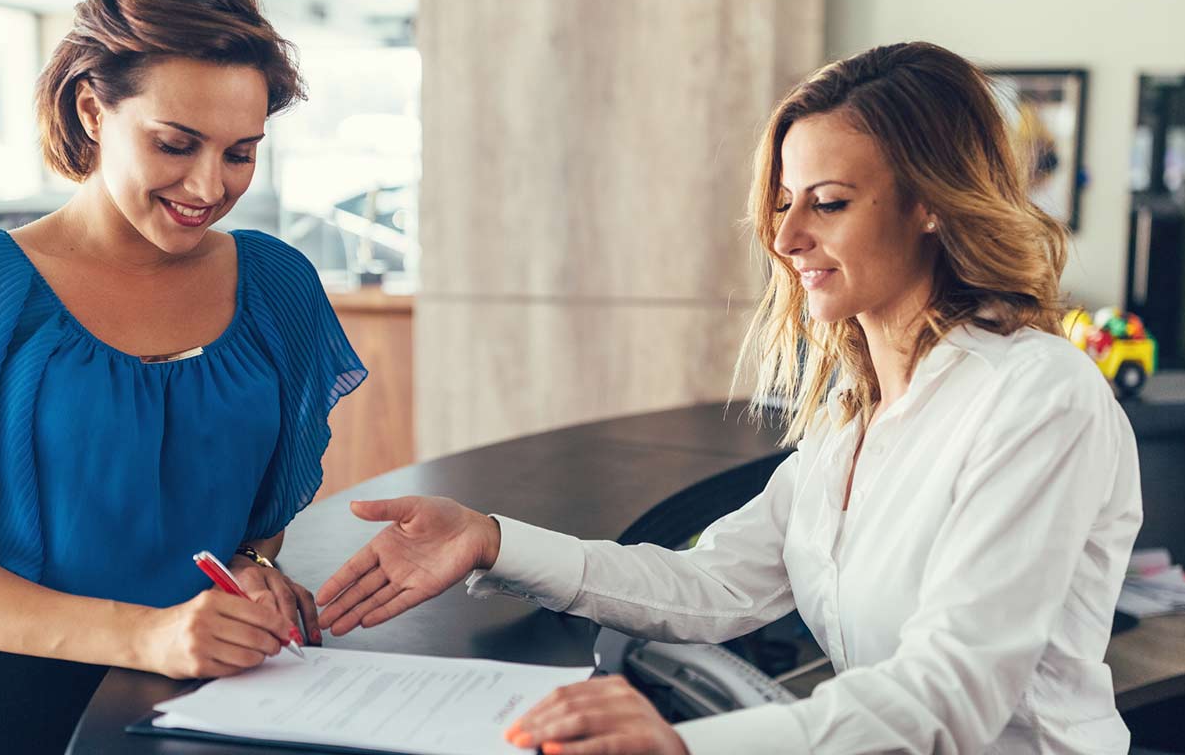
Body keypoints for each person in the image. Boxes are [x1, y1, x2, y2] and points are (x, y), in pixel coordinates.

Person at [315, 42, 1142, 755]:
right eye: (784, 202)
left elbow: (953, 691)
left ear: (931, 202)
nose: (785, 239)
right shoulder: (858, 415)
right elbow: (714, 586)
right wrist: (492, 541)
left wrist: (684, 744)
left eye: (829, 203)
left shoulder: (1038, 395)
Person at [0, 0, 366, 753]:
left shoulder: (277, 286)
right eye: (176, 143)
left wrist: (247, 568)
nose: (209, 185)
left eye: (241, 152)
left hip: (172, 704)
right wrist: (148, 637)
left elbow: (253, 518)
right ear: (94, 109)